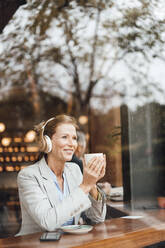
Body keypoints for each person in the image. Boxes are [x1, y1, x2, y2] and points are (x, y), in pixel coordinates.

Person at [16, 114, 106, 236]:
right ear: (47, 142)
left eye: (74, 138)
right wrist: (85, 185)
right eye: (65, 137)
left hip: (70, 242)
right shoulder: (28, 176)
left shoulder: (74, 170)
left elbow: (97, 218)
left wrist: (92, 184)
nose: (72, 144)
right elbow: (47, 222)